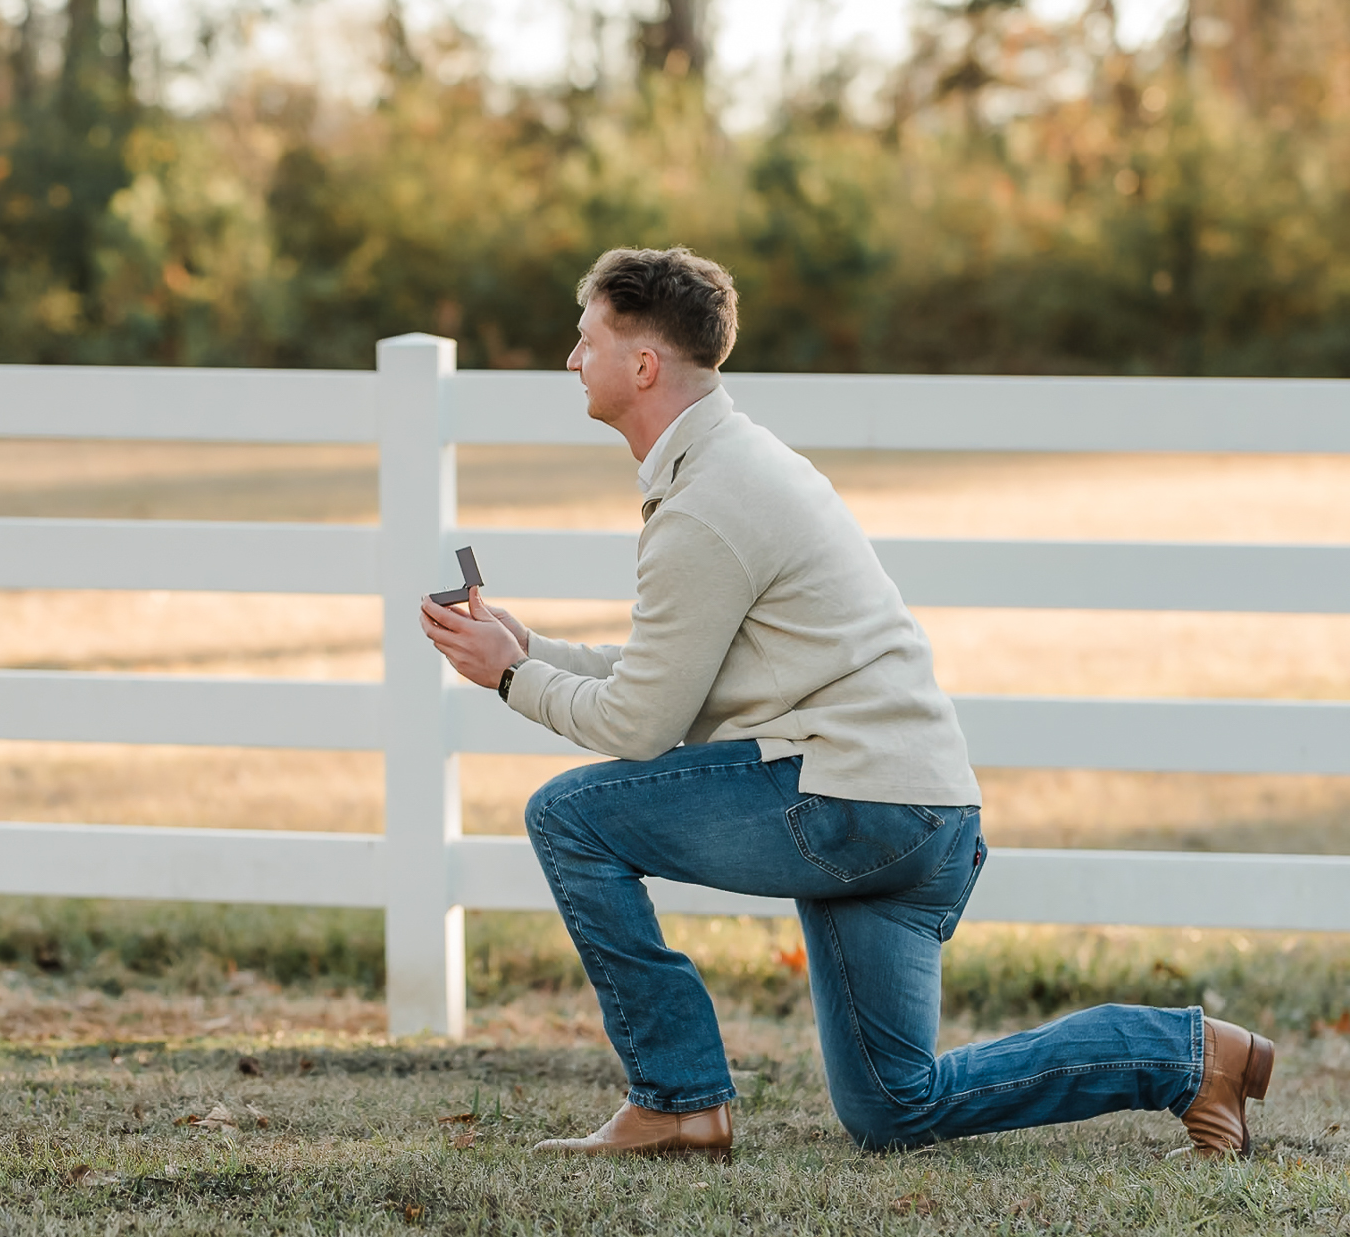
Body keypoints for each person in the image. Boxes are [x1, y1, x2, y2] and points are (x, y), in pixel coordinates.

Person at [420, 246, 1272, 1160]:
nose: (569, 361)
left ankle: (676, 1100)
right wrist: (529, 648)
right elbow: (669, 673)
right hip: (923, 813)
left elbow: (639, 724)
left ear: (642, 365)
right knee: (893, 1107)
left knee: (569, 818)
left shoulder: (709, 503)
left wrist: (511, 678)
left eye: (583, 341)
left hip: (856, 807)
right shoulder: (734, 467)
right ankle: (1189, 1057)